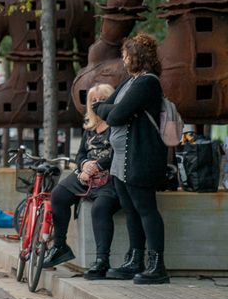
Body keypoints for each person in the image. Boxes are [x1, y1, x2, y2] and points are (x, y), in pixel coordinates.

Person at [93, 33, 169, 285]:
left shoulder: (148, 83)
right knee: (131, 210)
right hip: (121, 160)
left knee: (146, 210)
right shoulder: (129, 82)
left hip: (141, 158)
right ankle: (134, 259)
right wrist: (110, 109)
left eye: (127, 55)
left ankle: (157, 265)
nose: (124, 59)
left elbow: (113, 115)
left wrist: (110, 110)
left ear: (138, 56)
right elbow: (101, 108)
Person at [42, 84, 121, 279]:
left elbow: (118, 153)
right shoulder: (90, 128)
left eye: (102, 99)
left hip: (110, 179)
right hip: (86, 177)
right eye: (93, 100)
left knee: (100, 208)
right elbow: (80, 155)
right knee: (58, 195)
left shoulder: (118, 126)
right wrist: (85, 165)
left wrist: (97, 166)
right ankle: (60, 245)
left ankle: (102, 260)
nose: (97, 103)